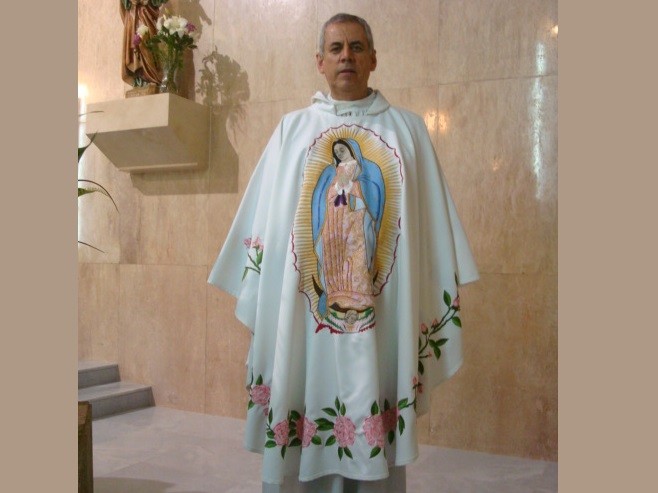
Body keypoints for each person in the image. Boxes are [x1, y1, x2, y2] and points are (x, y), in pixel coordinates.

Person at [208, 13, 479, 493]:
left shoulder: (408, 131)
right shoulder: (292, 132)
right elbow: (273, 222)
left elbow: (427, 230)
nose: (346, 57)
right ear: (320, 61)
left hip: (378, 293)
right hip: (314, 292)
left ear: (373, 58)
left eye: (356, 47)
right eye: (336, 48)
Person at [120, 0, 168, 88]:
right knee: (136, 45)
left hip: (145, 13)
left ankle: (152, 77)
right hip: (132, 14)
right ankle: (140, 79)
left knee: (146, 44)